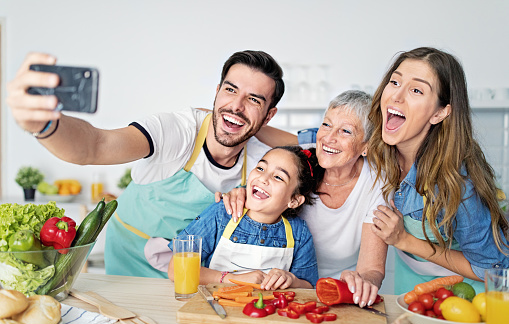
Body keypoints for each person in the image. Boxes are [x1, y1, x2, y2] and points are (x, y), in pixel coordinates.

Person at [7, 50, 284, 278]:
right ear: (216, 91)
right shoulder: (177, 130)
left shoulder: (262, 159)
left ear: (269, 115)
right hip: (130, 260)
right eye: (230, 90)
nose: (236, 105)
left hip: (195, 269)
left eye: (253, 100)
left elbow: (314, 147)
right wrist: (44, 125)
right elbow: (95, 145)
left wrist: (253, 126)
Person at [222, 90, 388, 307]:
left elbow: (371, 268)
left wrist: (363, 282)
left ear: (367, 146)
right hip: (282, 289)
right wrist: (240, 193)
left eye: (346, 131)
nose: (328, 138)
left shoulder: (376, 184)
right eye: (326, 125)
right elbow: (263, 175)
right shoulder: (302, 163)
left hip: (338, 295)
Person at [367, 47, 509, 294]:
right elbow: (329, 144)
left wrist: (404, 240)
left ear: (440, 112)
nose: (396, 97)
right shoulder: (381, 151)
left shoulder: (458, 181)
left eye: (416, 90)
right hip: (409, 290)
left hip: (462, 298)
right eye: (395, 82)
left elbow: (493, 268)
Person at [168, 146, 319, 289]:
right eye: (260, 168)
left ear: (294, 201)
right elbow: (176, 269)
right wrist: (231, 279)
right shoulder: (222, 213)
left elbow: (308, 285)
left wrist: (292, 280)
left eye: (278, 177)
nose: (263, 178)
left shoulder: (299, 232)